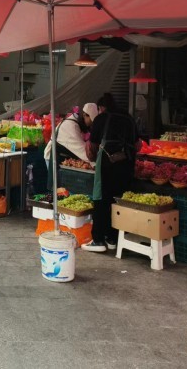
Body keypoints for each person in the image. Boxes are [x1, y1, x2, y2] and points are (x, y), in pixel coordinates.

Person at [83, 93, 141, 253]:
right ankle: (113, 238)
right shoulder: (129, 119)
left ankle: (98, 240)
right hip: (127, 165)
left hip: (107, 165)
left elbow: (92, 147)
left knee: (101, 200)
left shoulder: (101, 119)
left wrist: (93, 158)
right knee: (119, 200)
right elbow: (138, 145)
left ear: (101, 108)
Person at [44, 103, 98, 185]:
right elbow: (83, 151)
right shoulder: (71, 127)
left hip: (62, 156)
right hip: (53, 158)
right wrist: (96, 164)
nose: (91, 124)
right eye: (91, 120)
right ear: (84, 115)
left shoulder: (76, 123)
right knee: (58, 187)